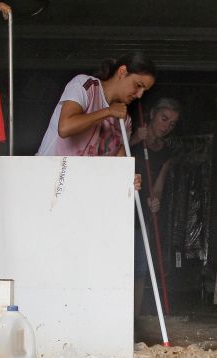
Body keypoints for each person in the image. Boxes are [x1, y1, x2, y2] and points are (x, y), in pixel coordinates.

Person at [36, 52, 156, 157]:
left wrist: (129, 177)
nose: (140, 95)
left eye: (144, 91)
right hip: (48, 175)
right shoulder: (87, 85)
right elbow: (65, 128)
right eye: (138, 85)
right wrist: (108, 112)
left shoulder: (124, 120)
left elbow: (118, 163)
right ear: (122, 72)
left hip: (81, 182)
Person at [131, 98, 181, 317]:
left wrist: (155, 201)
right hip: (118, 210)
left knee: (141, 267)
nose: (166, 126)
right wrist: (133, 139)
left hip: (141, 215)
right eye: (164, 119)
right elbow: (112, 161)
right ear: (152, 114)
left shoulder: (165, 153)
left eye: (171, 124)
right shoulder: (130, 134)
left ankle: (135, 315)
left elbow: (157, 187)